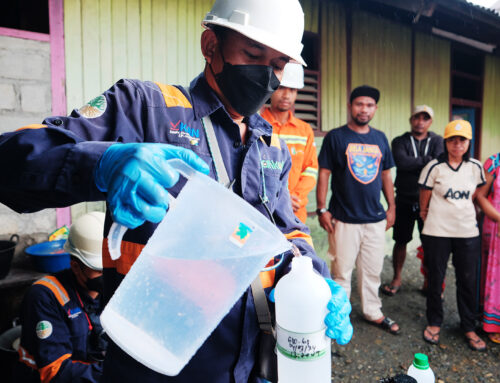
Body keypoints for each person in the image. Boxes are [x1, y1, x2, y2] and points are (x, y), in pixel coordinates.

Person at [0, 0, 352, 382]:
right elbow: (10, 164)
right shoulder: (146, 109)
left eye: (279, 64)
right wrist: (102, 163)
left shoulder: (273, 147)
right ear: (211, 46)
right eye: (253, 54)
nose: (267, 75)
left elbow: (287, 230)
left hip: (249, 362)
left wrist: (314, 278)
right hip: (157, 359)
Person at [317, 85, 400, 335]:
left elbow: (386, 175)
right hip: (344, 218)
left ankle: (372, 311)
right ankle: (338, 316)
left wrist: (392, 206)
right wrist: (322, 208)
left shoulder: (380, 138)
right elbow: (324, 174)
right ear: (350, 106)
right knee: (341, 272)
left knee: (372, 271)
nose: (364, 109)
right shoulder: (336, 137)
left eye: (369, 105)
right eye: (359, 104)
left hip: (375, 218)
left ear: (375, 108)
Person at [419, 120, 487, 351]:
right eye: (452, 140)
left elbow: (477, 193)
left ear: (469, 142)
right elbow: (425, 193)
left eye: (462, 140)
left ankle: (468, 326)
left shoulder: (475, 167)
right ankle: (434, 322)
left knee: (467, 279)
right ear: (445, 142)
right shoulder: (434, 167)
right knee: (436, 278)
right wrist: (425, 213)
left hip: (467, 231)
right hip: (437, 231)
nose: (457, 144)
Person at [16, 212, 107, 383]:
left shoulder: (112, 292)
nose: (108, 275)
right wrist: (115, 374)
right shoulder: (45, 296)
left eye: (111, 266)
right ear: (75, 266)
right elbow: (55, 371)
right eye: (100, 270)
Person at [382, 105, 443, 296]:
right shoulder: (400, 141)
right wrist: (427, 160)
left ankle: (429, 282)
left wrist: (418, 163)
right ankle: (397, 277)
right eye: (417, 117)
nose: (420, 122)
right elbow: (402, 162)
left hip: (431, 202)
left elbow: (439, 163)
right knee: (400, 240)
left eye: (425, 118)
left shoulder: (438, 140)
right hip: (405, 199)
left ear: (430, 122)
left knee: (430, 243)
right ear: (411, 120)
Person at [261, 62, 318, 223]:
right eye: (281, 88)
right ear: (271, 88)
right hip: (263, 211)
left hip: (294, 212)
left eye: (292, 90)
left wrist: (295, 197)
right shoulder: (255, 123)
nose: (286, 95)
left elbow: (310, 169)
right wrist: (279, 198)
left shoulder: (304, 130)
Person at [476, 153, 500, 344]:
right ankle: (492, 322)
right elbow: (480, 195)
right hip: (495, 226)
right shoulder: (494, 162)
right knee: (493, 277)